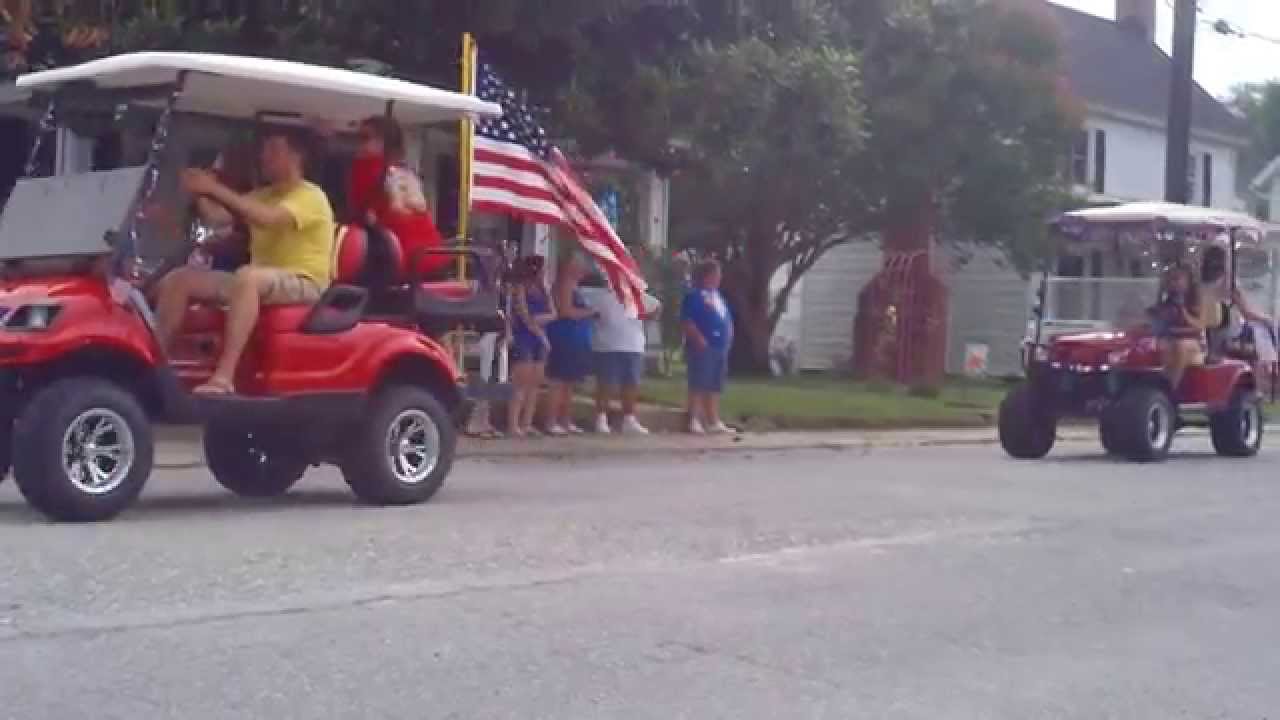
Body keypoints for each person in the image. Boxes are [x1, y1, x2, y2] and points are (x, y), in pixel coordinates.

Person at [155, 127, 336, 395]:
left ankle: (224, 377)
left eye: (274, 150)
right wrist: (200, 190)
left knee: (248, 276)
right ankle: (153, 363)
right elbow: (218, 217)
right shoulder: (264, 194)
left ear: (296, 156)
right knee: (180, 279)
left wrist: (214, 188)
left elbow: (267, 218)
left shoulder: (310, 196)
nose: (265, 156)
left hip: (304, 281)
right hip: (262, 280)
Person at [347, 116, 449, 279]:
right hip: (434, 257)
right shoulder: (405, 171)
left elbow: (359, 211)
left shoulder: (370, 168)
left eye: (364, 138)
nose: (358, 144)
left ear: (384, 142)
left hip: (406, 260)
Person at [582, 277, 662, 435]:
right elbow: (589, 312)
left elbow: (657, 306)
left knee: (631, 384)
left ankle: (629, 419)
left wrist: (646, 318)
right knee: (606, 383)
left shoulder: (636, 296)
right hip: (607, 346)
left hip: (633, 345)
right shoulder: (602, 297)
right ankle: (600, 418)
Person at [544, 253, 596, 436]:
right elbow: (565, 311)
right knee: (558, 382)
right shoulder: (564, 285)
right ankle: (551, 421)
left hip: (576, 339)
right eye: (578, 264)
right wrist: (589, 312)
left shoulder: (575, 285)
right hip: (564, 336)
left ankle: (566, 420)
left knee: (569, 384)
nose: (582, 269)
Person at [681, 259, 734, 435]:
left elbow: (725, 318)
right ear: (706, 276)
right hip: (703, 345)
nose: (719, 278)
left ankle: (713, 420)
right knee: (699, 383)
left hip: (720, 346)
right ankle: (694, 419)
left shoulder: (718, 297)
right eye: (716, 274)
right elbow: (687, 320)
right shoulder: (695, 295)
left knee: (714, 384)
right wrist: (698, 338)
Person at [507, 256, 556, 438]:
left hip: (539, 338)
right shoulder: (519, 289)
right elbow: (525, 317)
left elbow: (553, 313)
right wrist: (541, 333)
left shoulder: (544, 290)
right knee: (520, 383)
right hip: (524, 337)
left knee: (534, 384)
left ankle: (526, 423)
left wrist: (542, 323)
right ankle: (513, 425)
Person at [1148, 265, 1204, 391]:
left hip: (1192, 343)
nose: (1173, 283)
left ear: (1188, 281)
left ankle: (1170, 389)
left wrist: (1183, 311)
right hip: (1166, 339)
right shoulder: (1166, 302)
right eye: (1170, 280)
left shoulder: (1195, 301)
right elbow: (1155, 319)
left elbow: (1199, 327)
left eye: (1177, 279)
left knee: (1179, 346)